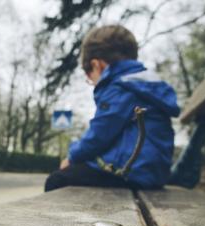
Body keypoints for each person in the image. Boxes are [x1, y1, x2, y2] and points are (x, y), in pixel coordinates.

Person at [45, 25, 180, 192]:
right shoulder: (144, 84)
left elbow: (99, 136)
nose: (92, 83)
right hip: (151, 174)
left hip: (129, 174)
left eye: (89, 77)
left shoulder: (120, 87)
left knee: (57, 180)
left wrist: (71, 157)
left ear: (97, 65)